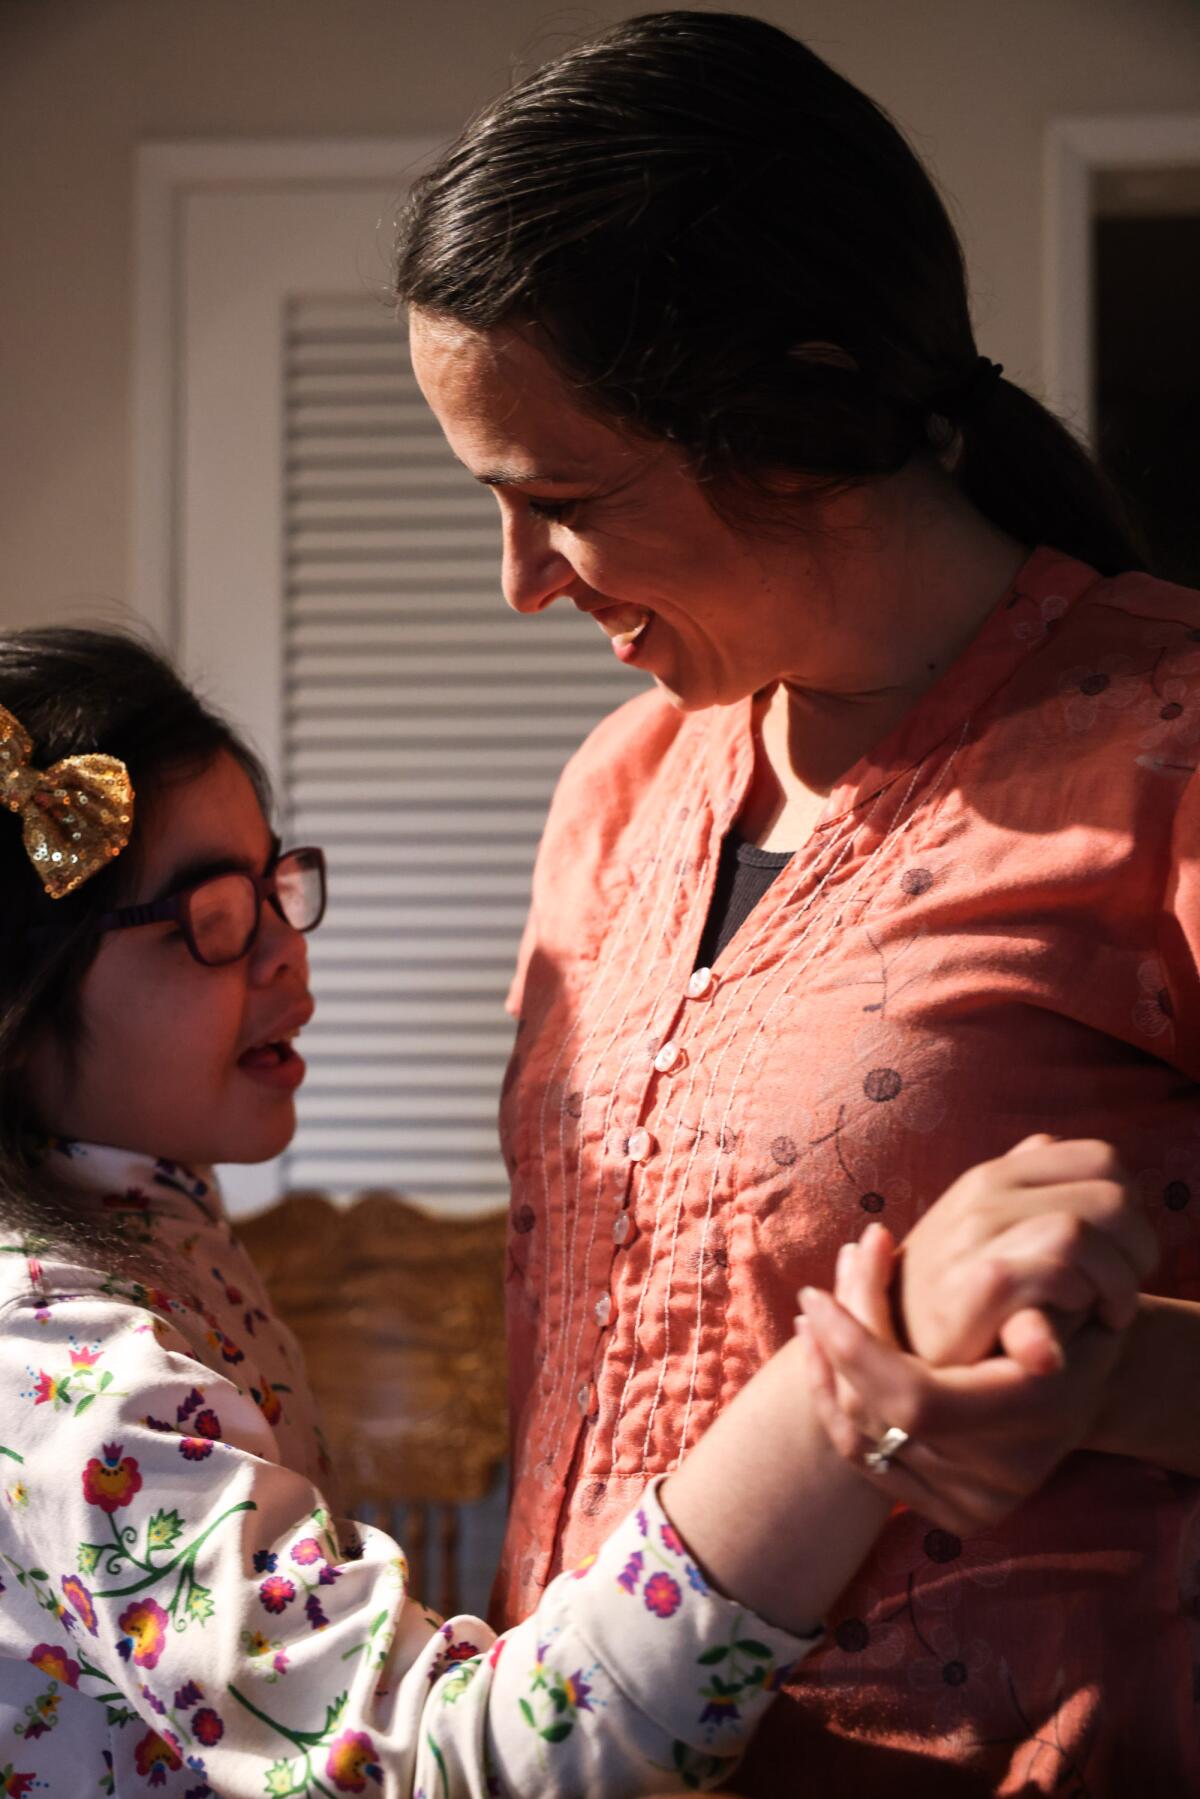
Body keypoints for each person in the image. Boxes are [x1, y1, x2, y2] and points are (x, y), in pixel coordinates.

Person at [393, 10, 1200, 1791]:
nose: (520, 583)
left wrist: (1119, 1381)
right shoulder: (614, 791)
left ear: (800, 406)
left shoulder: (1170, 745)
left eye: (561, 500)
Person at [0, 627, 1150, 1797]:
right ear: (18, 1000)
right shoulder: (61, 1369)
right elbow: (436, 1766)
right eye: (216, 921)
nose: (289, 958)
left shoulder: (152, 1203)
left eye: (276, 891)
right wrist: (838, 1389)